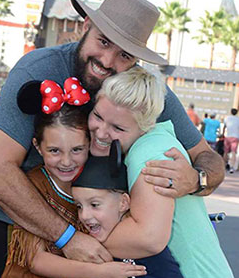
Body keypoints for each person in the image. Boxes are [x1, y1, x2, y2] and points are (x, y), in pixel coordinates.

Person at [0, 0, 225, 278]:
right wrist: (67, 238)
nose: (108, 62)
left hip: (89, 231)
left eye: (124, 55)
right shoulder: (38, 68)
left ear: (137, 60)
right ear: (86, 25)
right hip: (8, 225)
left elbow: (208, 158)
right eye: (104, 42)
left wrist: (196, 179)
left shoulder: (142, 92)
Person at [89, 67, 234, 277]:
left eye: (118, 128)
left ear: (145, 127)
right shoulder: (145, 144)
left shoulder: (152, 152)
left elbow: (148, 238)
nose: (101, 132)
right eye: (97, 116)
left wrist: (74, 239)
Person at [1, 78, 146, 278]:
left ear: (90, 143)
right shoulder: (32, 187)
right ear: (37, 146)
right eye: (54, 151)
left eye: (77, 149)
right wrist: (98, 272)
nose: (66, 161)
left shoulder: (101, 177)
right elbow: (35, 260)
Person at [72, 150, 183, 278]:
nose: (84, 215)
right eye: (79, 206)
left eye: (94, 205)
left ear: (123, 203)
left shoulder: (147, 251)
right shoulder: (86, 248)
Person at [223, 108, 239, 173]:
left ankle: (224, 165)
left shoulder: (227, 118)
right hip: (235, 137)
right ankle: (231, 167)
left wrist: (222, 134)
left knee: (225, 152)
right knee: (233, 152)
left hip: (227, 136)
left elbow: (224, 127)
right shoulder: (238, 119)